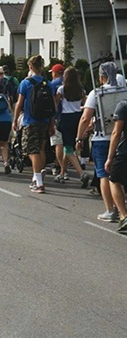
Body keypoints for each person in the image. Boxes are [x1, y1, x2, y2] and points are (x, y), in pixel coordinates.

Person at [78, 61, 122, 222]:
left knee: (104, 173)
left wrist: (79, 137)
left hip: (102, 137)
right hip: (122, 137)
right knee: (119, 174)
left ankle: (110, 209)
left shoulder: (97, 93)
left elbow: (85, 117)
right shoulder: (123, 91)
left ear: (102, 77)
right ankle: (120, 206)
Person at [13, 55, 54, 193]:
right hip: (45, 120)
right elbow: (53, 105)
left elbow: (19, 103)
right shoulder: (47, 83)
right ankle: (38, 175)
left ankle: (39, 182)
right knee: (41, 147)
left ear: (30, 67)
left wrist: (15, 120)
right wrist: (52, 123)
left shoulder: (26, 83)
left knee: (31, 149)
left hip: (30, 120)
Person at [53, 66, 90, 187]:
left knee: (68, 148)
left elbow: (56, 104)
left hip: (66, 118)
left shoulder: (62, 89)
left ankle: (81, 173)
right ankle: (62, 173)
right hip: (78, 116)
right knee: (68, 147)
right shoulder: (81, 90)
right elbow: (85, 103)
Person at [106, 100, 127, 233]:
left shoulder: (123, 106)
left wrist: (109, 157)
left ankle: (124, 215)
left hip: (124, 151)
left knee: (114, 180)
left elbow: (116, 133)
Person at [49, 63, 65, 177]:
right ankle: (63, 166)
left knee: (58, 143)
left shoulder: (53, 84)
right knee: (67, 144)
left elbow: (53, 101)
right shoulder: (70, 82)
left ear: (56, 72)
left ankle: (61, 168)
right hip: (71, 115)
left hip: (58, 115)